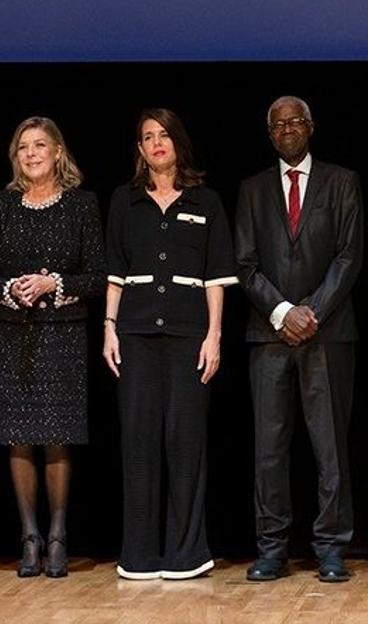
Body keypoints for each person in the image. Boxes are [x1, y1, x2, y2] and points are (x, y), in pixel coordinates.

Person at [103, 108, 237, 581]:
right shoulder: (124, 201)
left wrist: (214, 336)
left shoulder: (207, 202)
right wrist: (109, 328)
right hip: (136, 337)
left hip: (188, 337)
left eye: (164, 135)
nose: (157, 143)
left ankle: (186, 553)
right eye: (147, 137)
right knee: (138, 441)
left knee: (185, 443)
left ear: (178, 142)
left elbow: (216, 277)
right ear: (139, 149)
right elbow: (115, 271)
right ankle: (138, 555)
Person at [235, 96, 363, 583]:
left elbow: (350, 256)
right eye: (278, 124)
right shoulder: (251, 189)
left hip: (328, 334)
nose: (287, 129)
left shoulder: (342, 181)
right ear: (270, 134)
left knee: (329, 447)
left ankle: (331, 547)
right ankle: (272, 548)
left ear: (310, 127)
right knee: (269, 449)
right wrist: (283, 312)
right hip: (269, 336)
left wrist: (313, 312)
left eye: (295, 121)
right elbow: (244, 263)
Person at [0, 117, 105, 578]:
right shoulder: (1, 205)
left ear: (58, 152)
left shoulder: (81, 205)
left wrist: (53, 282)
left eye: (40, 145)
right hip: (13, 334)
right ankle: (28, 536)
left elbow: (97, 275)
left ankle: (58, 535)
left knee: (57, 435)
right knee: (18, 435)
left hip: (62, 334)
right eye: (23, 147)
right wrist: (13, 288)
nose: (31, 154)